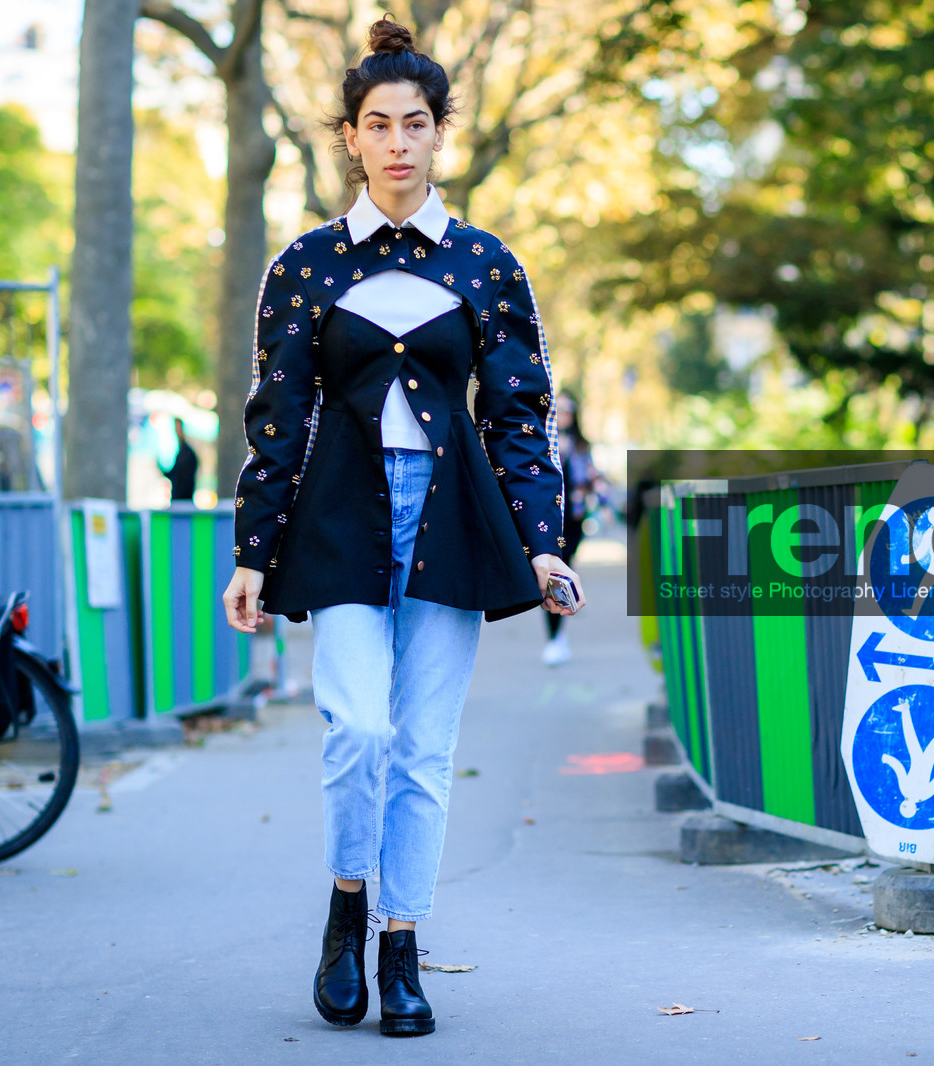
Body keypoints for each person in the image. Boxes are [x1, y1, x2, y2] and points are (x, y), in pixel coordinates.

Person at [221, 17, 584, 1039]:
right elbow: (277, 412)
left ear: (437, 135)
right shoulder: (303, 266)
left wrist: (544, 538)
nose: (396, 142)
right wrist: (255, 550)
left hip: (450, 518)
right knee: (359, 731)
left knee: (424, 750)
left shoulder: (485, 264)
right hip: (338, 517)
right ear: (350, 138)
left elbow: (515, 414)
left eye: (414, 123)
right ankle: (346, 904)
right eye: (376, 124)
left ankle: (402, 943)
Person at [542, 392, 602, 665]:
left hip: (575, 519)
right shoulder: (542, 439)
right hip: (549, 518)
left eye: (568, 409)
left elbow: (590, 477)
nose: (563, 413)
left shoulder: (581, 444)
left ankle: (559, 630)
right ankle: (555, 637)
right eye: (559, 408)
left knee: (567, 564)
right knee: (553, 569)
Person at [161, 417, 198, 503]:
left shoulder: (187, 454)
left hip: (184, 500)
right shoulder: (181, 452)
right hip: (178, 500)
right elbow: (173, 475)